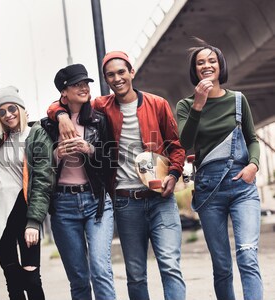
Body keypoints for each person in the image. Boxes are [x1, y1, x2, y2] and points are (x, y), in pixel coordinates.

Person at [48, 52, 186, 300]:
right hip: (125, 201)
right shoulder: (101, 107)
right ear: (105, 80)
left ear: (131, 72)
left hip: (160, 198)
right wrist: (61, 115)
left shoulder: (158, 104)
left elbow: (176, 146)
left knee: (170, 265)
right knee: (135, 274)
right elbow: (60, 103)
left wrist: (174, 175)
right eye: (110, 75)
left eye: (121, 72)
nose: (117, 78)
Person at [176, 38, 263, 300]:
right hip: (207, 191)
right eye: (200, 62)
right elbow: (184, 143)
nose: (206, 65)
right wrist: (198, 105)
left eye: (211, 61)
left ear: (219, 65)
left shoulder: (238, 100)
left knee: (247, 254)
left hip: (242, 187)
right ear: (195, 70)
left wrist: (253, 165)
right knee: (222, 266)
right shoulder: (185, 105)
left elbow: (252, 139)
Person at [41, 64, 116, 300]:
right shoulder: (48, 124)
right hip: (63, 206)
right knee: (79, 278)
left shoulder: (99, 120)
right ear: (64, 92)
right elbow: (38, 164)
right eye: (77, 84)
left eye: (86, 83)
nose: (84, 88)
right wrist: (56, 154)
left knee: (101, 269)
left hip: (96, 202)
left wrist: (90, 149)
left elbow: (112, 159)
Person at [0, 86, 54, 300]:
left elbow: (42, 181)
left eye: (12, 108)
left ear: (21, 108)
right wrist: (3, 97)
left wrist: (34, 222)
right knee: (12, 280)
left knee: (31, 278)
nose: (8, 114)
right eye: (1, 111)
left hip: (24, 211)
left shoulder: (36, 134)